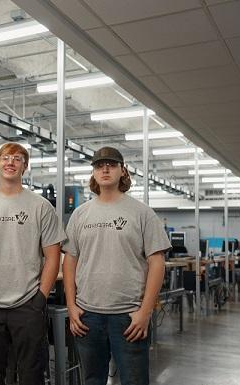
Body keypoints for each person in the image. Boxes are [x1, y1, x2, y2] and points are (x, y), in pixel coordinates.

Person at [62, 146, 171, 385]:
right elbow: (70, 260)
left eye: (111, 164)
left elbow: (157, 262)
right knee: (91, 380)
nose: (105, 169)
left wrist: (145, 311)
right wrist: (71, 305)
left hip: (128, 316)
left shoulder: (142, 213)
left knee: (134, 380)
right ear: (93, 173)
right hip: (87, 315)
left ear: (123, 171)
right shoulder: (80, 215)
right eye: (99, 166)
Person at [0, 142, 66, 385]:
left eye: (17, 158)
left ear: (25, 166)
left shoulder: (41, 207)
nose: (11, 162)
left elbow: (53, 256)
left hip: (28, 305)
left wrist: (40, 297)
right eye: (5, 157)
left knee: (31, 374)